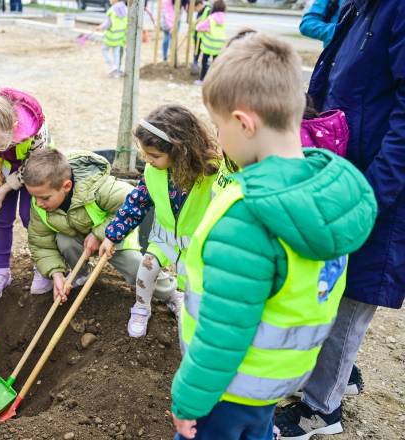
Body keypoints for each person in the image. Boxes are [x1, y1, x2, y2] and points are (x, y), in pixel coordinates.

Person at [168, 33, 376, 440]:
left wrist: (189, 399)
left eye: (218, 126)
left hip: (226, 389)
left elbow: (224, 329)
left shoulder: (248, 216)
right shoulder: (322, 195)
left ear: (244, 123)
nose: (219, 140)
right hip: (275, 381)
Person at [276, 1, 405, 438]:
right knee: (332, 283)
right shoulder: (360, 5)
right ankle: (338, 375)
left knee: (354, 294)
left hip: (376, 185)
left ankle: (321, 410)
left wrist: (374, 192)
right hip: (348, 174)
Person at [99, 104, 226, 338]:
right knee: (145, 271)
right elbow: (136, 203)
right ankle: (141, 307)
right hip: (164, 236)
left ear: (180, 150)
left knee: (193, 288)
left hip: (195, 245)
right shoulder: (153, 172)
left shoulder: (210, 175)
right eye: (145, 154)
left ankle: (187, 310)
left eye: (154, 155)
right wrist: (111, 235)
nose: (147, 160)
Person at [25, 150, 151, 306]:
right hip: (82, 237)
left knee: (137, 269)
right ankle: (82, 274)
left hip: (115, 234)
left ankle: (171, 294)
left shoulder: (98, 188)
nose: (38, 203)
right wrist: (56, 274)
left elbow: (132, 204)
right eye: (34, 197)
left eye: (44, 198)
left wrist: (99, 234)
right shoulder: (40, 205)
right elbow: (41, 242)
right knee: (64, 241)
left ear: (66, 186)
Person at [0, 88, 52, 299]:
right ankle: (2, 270)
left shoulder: (35, 132)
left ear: (13, 128)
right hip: (4, 169)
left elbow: (33, 166)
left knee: (29, 216)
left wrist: (8, 186)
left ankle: (43, 267)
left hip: (36, 171)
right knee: (0, 216)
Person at [194, 0, 226, 85]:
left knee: (204, 62)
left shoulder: (211, 18)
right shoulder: (223, 18)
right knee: (217, 63)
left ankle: (202, 80)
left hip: (209, 44)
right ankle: (218, 81)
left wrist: (204, 28)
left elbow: (199, 27)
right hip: (219, 45)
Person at [98, 0, 128, 78]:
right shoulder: (125, 9)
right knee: (116, 53)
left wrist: (100, 27)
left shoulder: (112, 10)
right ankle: (117, 72)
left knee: (104, 49)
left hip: (111, 36)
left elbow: (108, 24)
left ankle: (112, 66)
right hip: (120, 36)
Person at [190, 1, 211, 75]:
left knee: (205, 54)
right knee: (196, 52)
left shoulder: (208, 10)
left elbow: (208, 23)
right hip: (198, 36)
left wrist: (199, 23)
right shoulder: (201, 11)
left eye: (196, 9)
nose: (196, 11)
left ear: (199, 5)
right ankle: (195, 65)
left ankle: (205, 69)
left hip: (204, 37)